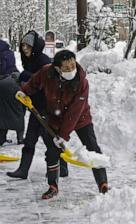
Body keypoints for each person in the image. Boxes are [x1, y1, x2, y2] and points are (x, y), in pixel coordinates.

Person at [16, 50, 108, 199]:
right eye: (66, 68)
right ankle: (53, 186)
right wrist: (24, 91)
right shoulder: (47, 72)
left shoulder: (82, 81)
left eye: (73, 65)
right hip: (55, 117)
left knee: (92, 146)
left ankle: (103, 183)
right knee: (52, 151)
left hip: (80, 118)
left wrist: (63, 136)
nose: (71, 69)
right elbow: (34, 82)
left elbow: (75, 111)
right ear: (57, 68)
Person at [7, 31, 68, 179]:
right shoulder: (29, 60)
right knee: (30, 140)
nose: (25, 48)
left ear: (34, 46)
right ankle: (23, 170)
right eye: (23, 45)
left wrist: (24, 76)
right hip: (36, 107)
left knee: (49, 140)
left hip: (48, 108)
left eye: (28, 45)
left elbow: (46, 80)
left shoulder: (43, 60)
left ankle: (62, 167)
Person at [0, 39, 24, 145]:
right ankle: (20, 138)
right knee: (18, 110)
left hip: (2, 83)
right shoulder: (9, 53)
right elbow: (13, 67)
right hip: (13, 82)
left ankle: (1, 139)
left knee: (2, 113)